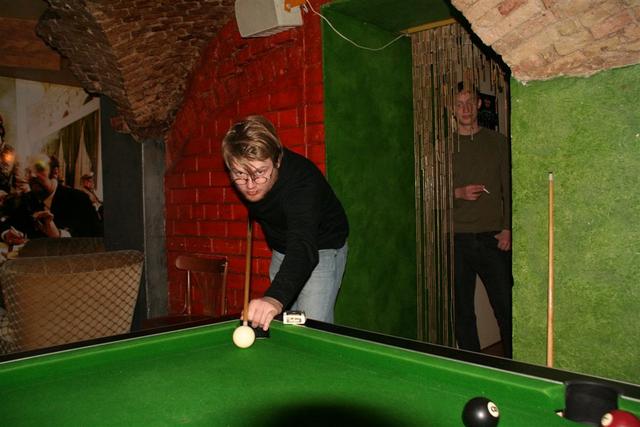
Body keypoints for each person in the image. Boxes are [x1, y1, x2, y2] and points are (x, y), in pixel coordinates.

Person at [222, 115, 349, 331]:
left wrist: (275, 297)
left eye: (260, 172)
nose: (250, 185)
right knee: (283, 325)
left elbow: (303, 245)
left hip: (321, 245)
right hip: (282, 247)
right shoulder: (250, 179)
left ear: (278, 161)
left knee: (310, 328)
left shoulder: (303, 182)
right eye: (240, 174)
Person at [452, 82, 512, 358]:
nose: (465, 109)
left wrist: (508, 227)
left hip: (493, 237)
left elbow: (510, 187)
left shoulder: (498, 142)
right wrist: (458, 193)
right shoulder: (443, 147)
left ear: (478, 104)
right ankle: (471, 364)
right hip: (456, 238)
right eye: (459, 103)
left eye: (469, 102)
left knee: (506, 307)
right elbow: (428, 193)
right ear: (452, 108)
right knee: (462, 310)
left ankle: (513, 365)